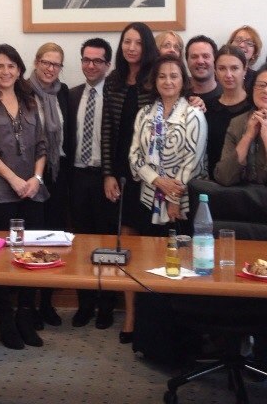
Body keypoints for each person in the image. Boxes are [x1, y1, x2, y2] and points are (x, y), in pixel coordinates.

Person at [0, 44, 48, 350]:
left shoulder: (31, 102)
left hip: (33, 192)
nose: (6, 71)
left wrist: (36, 179)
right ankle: (5, 318)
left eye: (11, 66)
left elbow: (42, 144)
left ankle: (25, 316)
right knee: (2, 257)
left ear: (19, 70)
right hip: (0, 192)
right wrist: (14, 179)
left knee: (33, 254)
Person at [101, 22, 159, 343]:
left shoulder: (157, 78)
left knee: (152, 245)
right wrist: (108, 173)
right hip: (123, 174)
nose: (131, 47)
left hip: (152, 176)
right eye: (127, 42)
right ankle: (131, 316)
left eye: (137, 42)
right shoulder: (113, 81)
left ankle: (152, 316)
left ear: (147, 45)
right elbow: (107, 130)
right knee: (127, 247)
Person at [67, 37, 116, 329]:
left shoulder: (116, 96)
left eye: (98, 61)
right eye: (86, 59)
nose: (91, 65)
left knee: (107, 243)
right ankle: (85, 304)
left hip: (105, 178)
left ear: (108, 64)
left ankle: (106, 305)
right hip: (77, 177)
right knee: (81, 243)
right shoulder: (71, 94)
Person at [129, 55, 206, 235]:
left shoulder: (193, 114)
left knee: (180, 250)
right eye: (162, 76)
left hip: (183, 202)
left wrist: (173, 198)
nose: (168, 81)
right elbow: (134, 155)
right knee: (149, 249)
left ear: (183, 80)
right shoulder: (144, 114)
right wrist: (157, 180)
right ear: (154, 81)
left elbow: (193, 160)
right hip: (149, 197)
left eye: (174, 76)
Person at [28, 42, 71, 327]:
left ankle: (46, 302)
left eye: (56, 64)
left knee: (54, 238)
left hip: (58, 174)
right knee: (32, 237)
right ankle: (28, 304)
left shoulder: (63, 92)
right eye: (45, 62)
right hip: (31, 173)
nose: (50, 68)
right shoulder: (22, 91)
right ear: (36, 62)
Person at [203, 45, 253, 179]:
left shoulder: (254, 107)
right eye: (222, 68)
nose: (228, 75)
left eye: (234, 68)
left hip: (245, 182)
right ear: (215, 71)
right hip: (212, 181)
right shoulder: (207, 107)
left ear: (245, 70)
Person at [185, 35, 222, 110]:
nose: (200, 61)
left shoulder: (227, 94)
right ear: (187, 61)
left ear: (215, 60)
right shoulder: (179, 95)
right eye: (194, 57)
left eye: (206, 56)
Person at [226, 25, 263, 89]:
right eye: (238, 40)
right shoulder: (216, 73)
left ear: (254, 53)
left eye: (249, 43)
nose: (241, 45)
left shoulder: (258, 79)